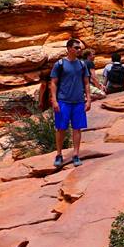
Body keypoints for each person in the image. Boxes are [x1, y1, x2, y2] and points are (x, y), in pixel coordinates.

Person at [50, 38, 91, 168]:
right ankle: (59, 154)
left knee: (77, 128)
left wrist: (88, 99)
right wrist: (54, 100)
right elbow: (53, 83)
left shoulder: (82, 64)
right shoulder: (60, 64)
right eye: (76, 48)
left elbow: (86, 82)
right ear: (68, 49)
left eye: (80, 48)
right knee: (61, 128)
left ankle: (76, 154)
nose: (79, 50)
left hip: (78, 101)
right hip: (63, 101)